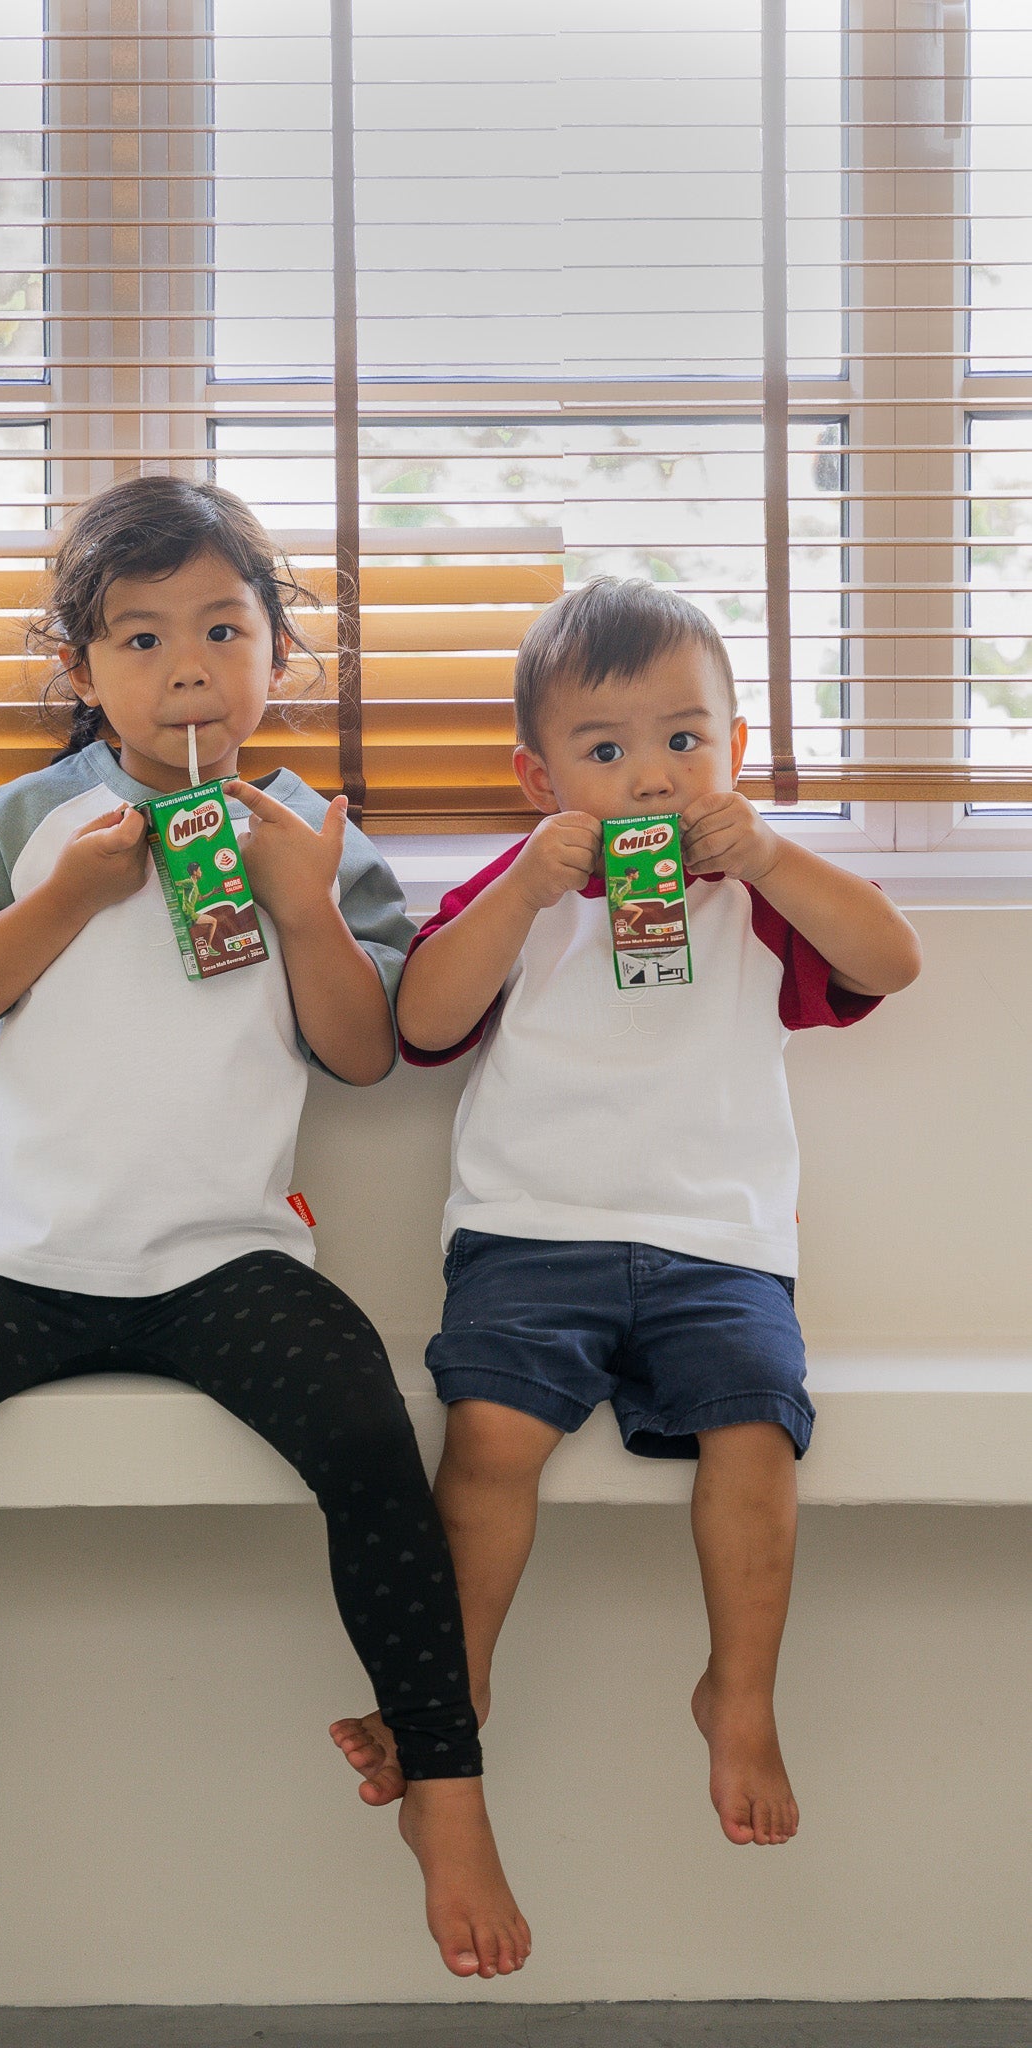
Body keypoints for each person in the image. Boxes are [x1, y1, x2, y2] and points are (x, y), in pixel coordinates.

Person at [0, 477, 529, 1980]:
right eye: (140, 636)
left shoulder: (313, 836)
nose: (186, 665)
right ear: (82, 671)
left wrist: (303, 904)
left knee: (376, 1448)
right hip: (26, 1261)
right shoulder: (29, 820)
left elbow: (364, 1055)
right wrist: (74, 890)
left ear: (275, 658)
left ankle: (443, 1787)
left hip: (225, 1266)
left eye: (222, 628)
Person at [331, 576, 921, 1848]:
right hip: (533, 1230)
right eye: (605, 750)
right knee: (487, 1440)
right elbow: (423, 1021)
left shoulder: (756, 893)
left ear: (736, 745)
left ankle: (740, 1696)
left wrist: (766, 849)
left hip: (721, 1246)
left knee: (756, 1438)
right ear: (541, 779)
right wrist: (524, 889)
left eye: (684, 738)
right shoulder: (522, 887)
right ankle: (457, 1683)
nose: (653, 777)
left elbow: (891, 960)